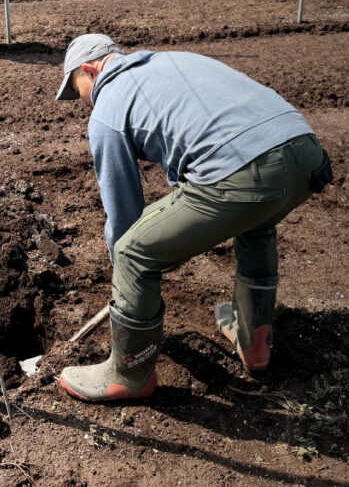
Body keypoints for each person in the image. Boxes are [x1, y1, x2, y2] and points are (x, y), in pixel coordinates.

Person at [54, 34, 332, 403]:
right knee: (256, 220)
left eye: (80, 90)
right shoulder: (169, 62)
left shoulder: (108, 109)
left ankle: (129, 374)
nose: (85, 102)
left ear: (92, 69)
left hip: (247, 172)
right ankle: (255, 345)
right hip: (305, 151)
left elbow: (124, 218)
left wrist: (125, 280)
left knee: (132, 252)